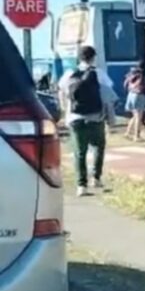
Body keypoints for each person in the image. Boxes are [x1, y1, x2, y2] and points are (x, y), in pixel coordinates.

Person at [58, 45, 116, 197]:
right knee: (98, 147)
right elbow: (108, 93)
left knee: (79, 152)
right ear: (93, 58)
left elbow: (61, 91)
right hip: (95, 117)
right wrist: (110, 118)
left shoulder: (69, 74)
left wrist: (65, 112)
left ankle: (81, 185)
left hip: (75, 118)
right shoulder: (98, 73)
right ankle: (96, 178)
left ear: (79, 58)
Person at [123, 63, 145, 142]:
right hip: (139, 95)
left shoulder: (131, 74)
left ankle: (128, 133)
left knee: (134, 116)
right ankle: (136, 136)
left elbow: (125, 85)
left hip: (130, 95)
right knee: (138, 117)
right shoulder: (141, 75)